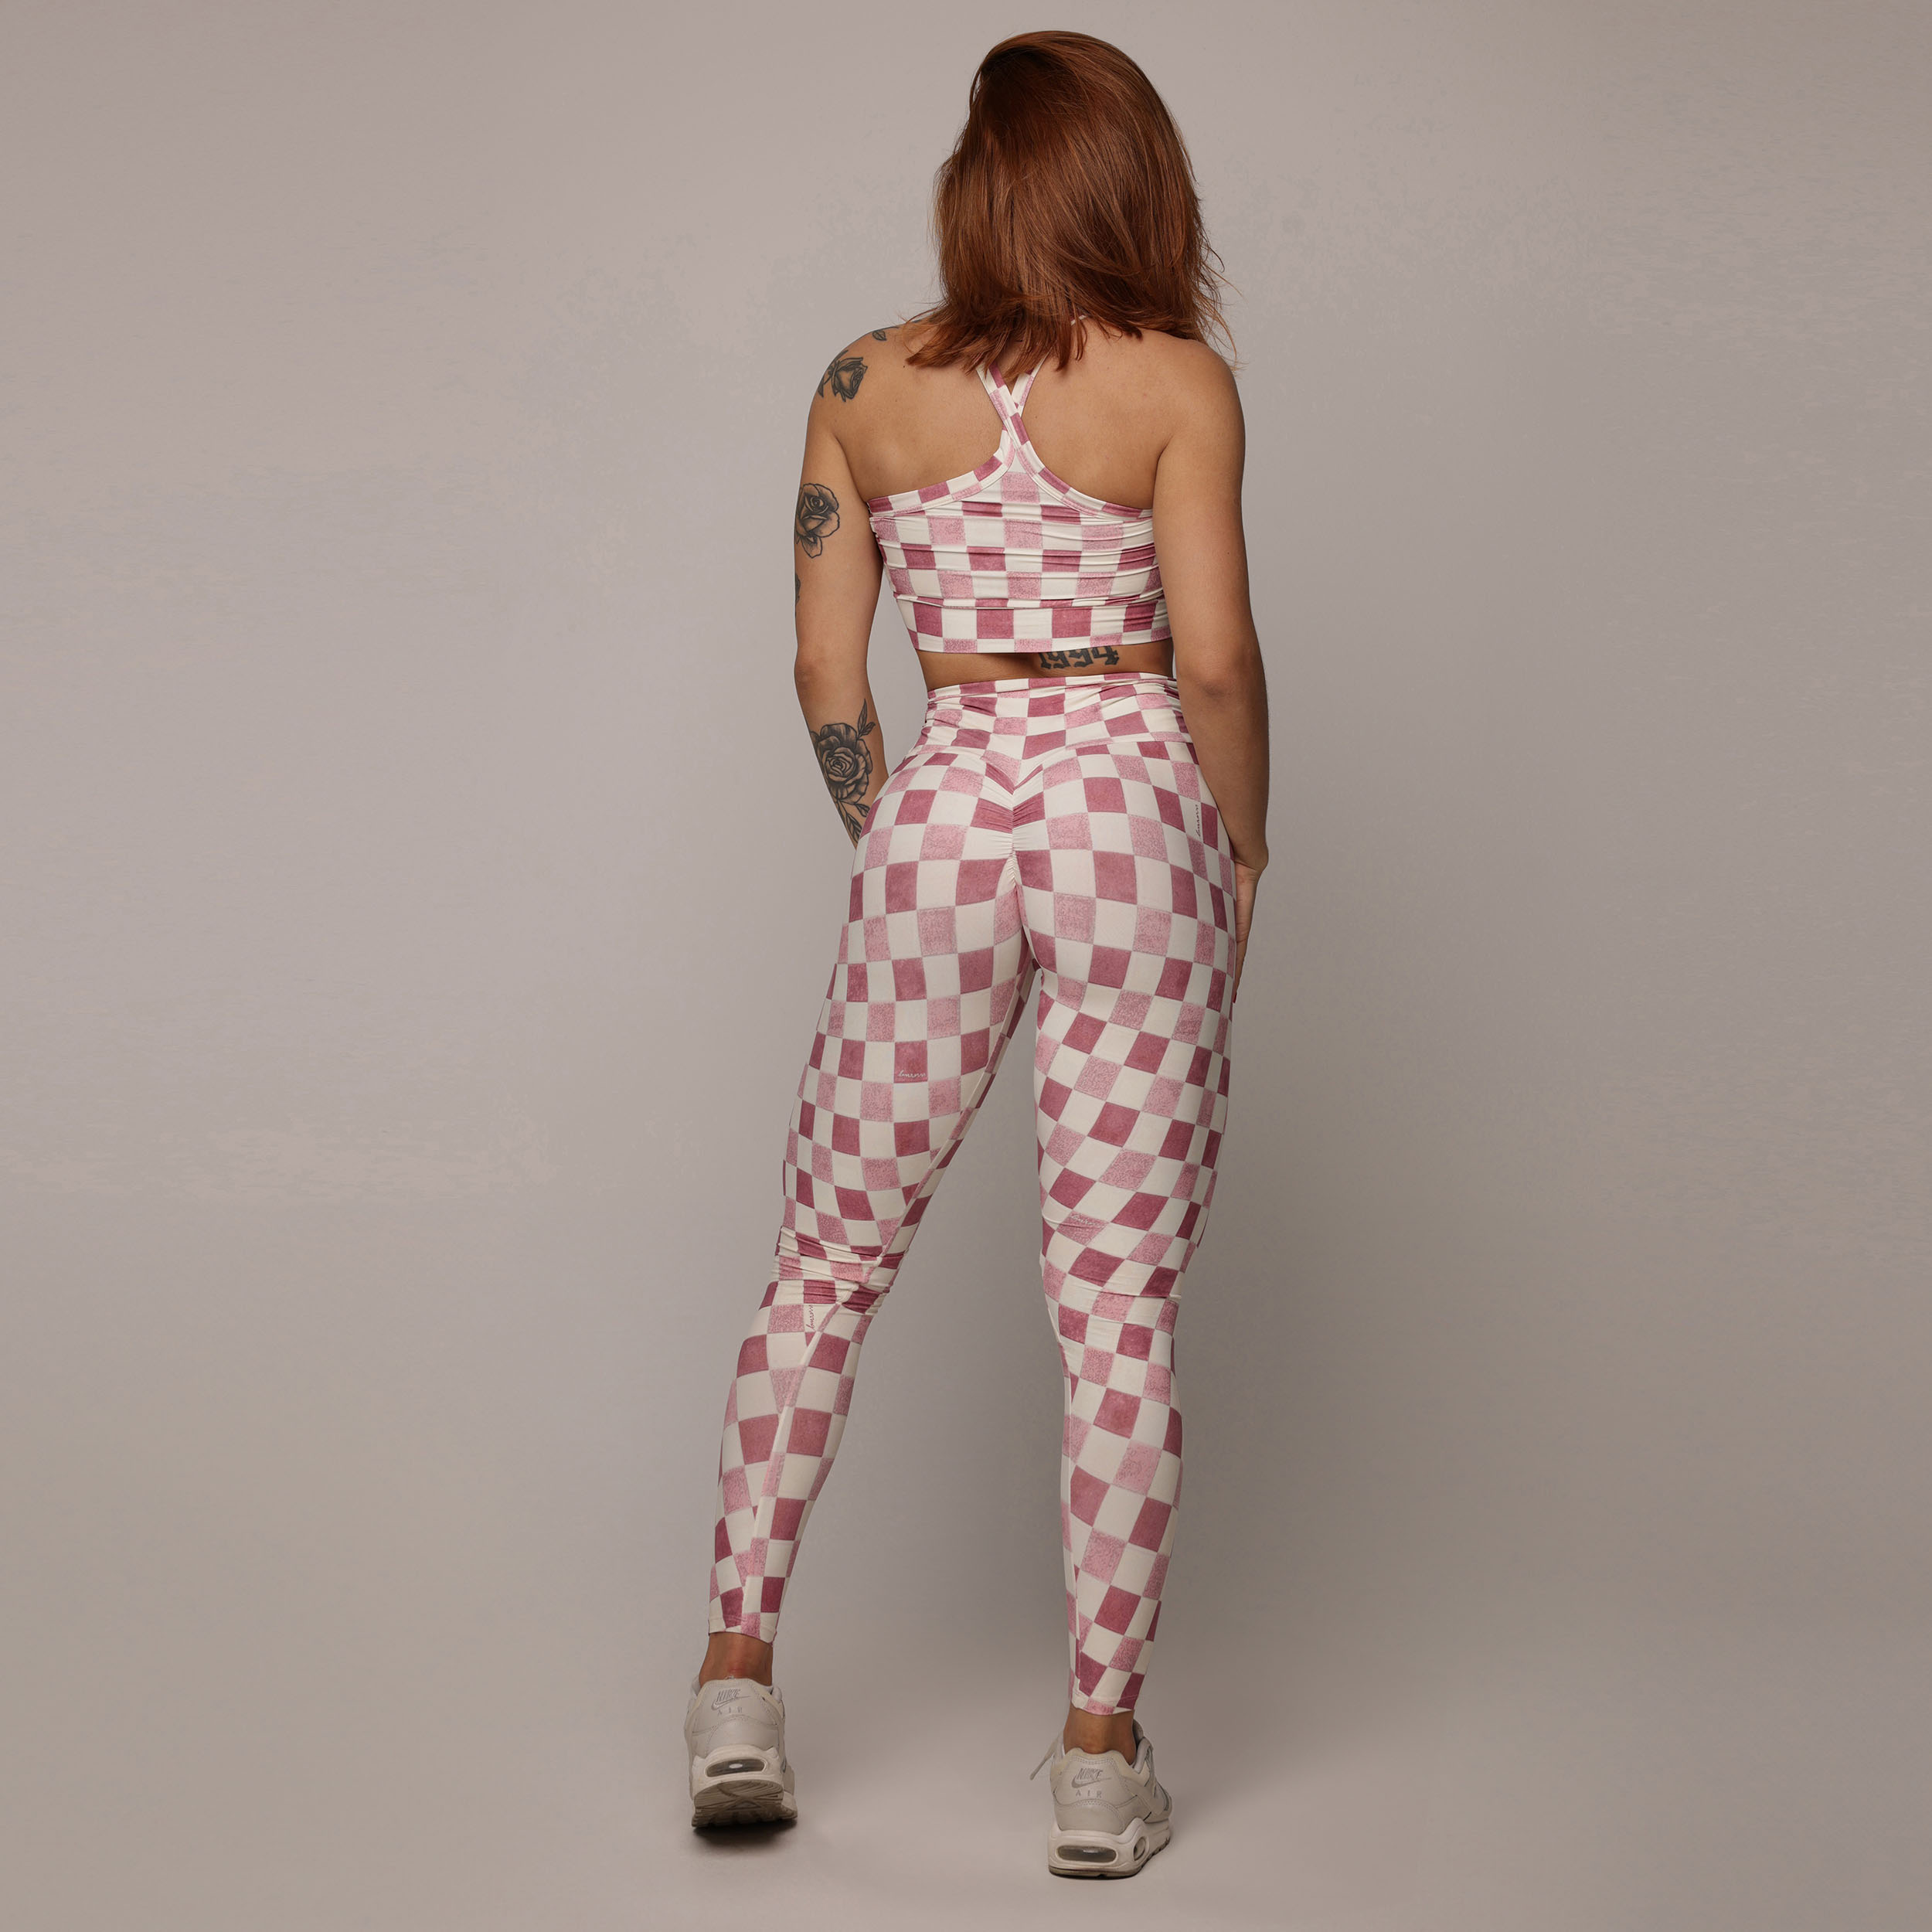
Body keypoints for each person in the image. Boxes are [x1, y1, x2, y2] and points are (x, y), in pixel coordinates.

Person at [682, 29, 1269, 1879]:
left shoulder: (864, 381)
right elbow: (1213, 659)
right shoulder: (1172, 379)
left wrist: (903, 840)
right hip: (1128, 809)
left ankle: (732, 1686)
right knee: (1113, 1298)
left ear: (973, 186)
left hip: (947, 798)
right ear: (1136, 184)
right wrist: (1243, 845)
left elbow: (823, 666)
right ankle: (1096, 1760)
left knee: (825, 1259)